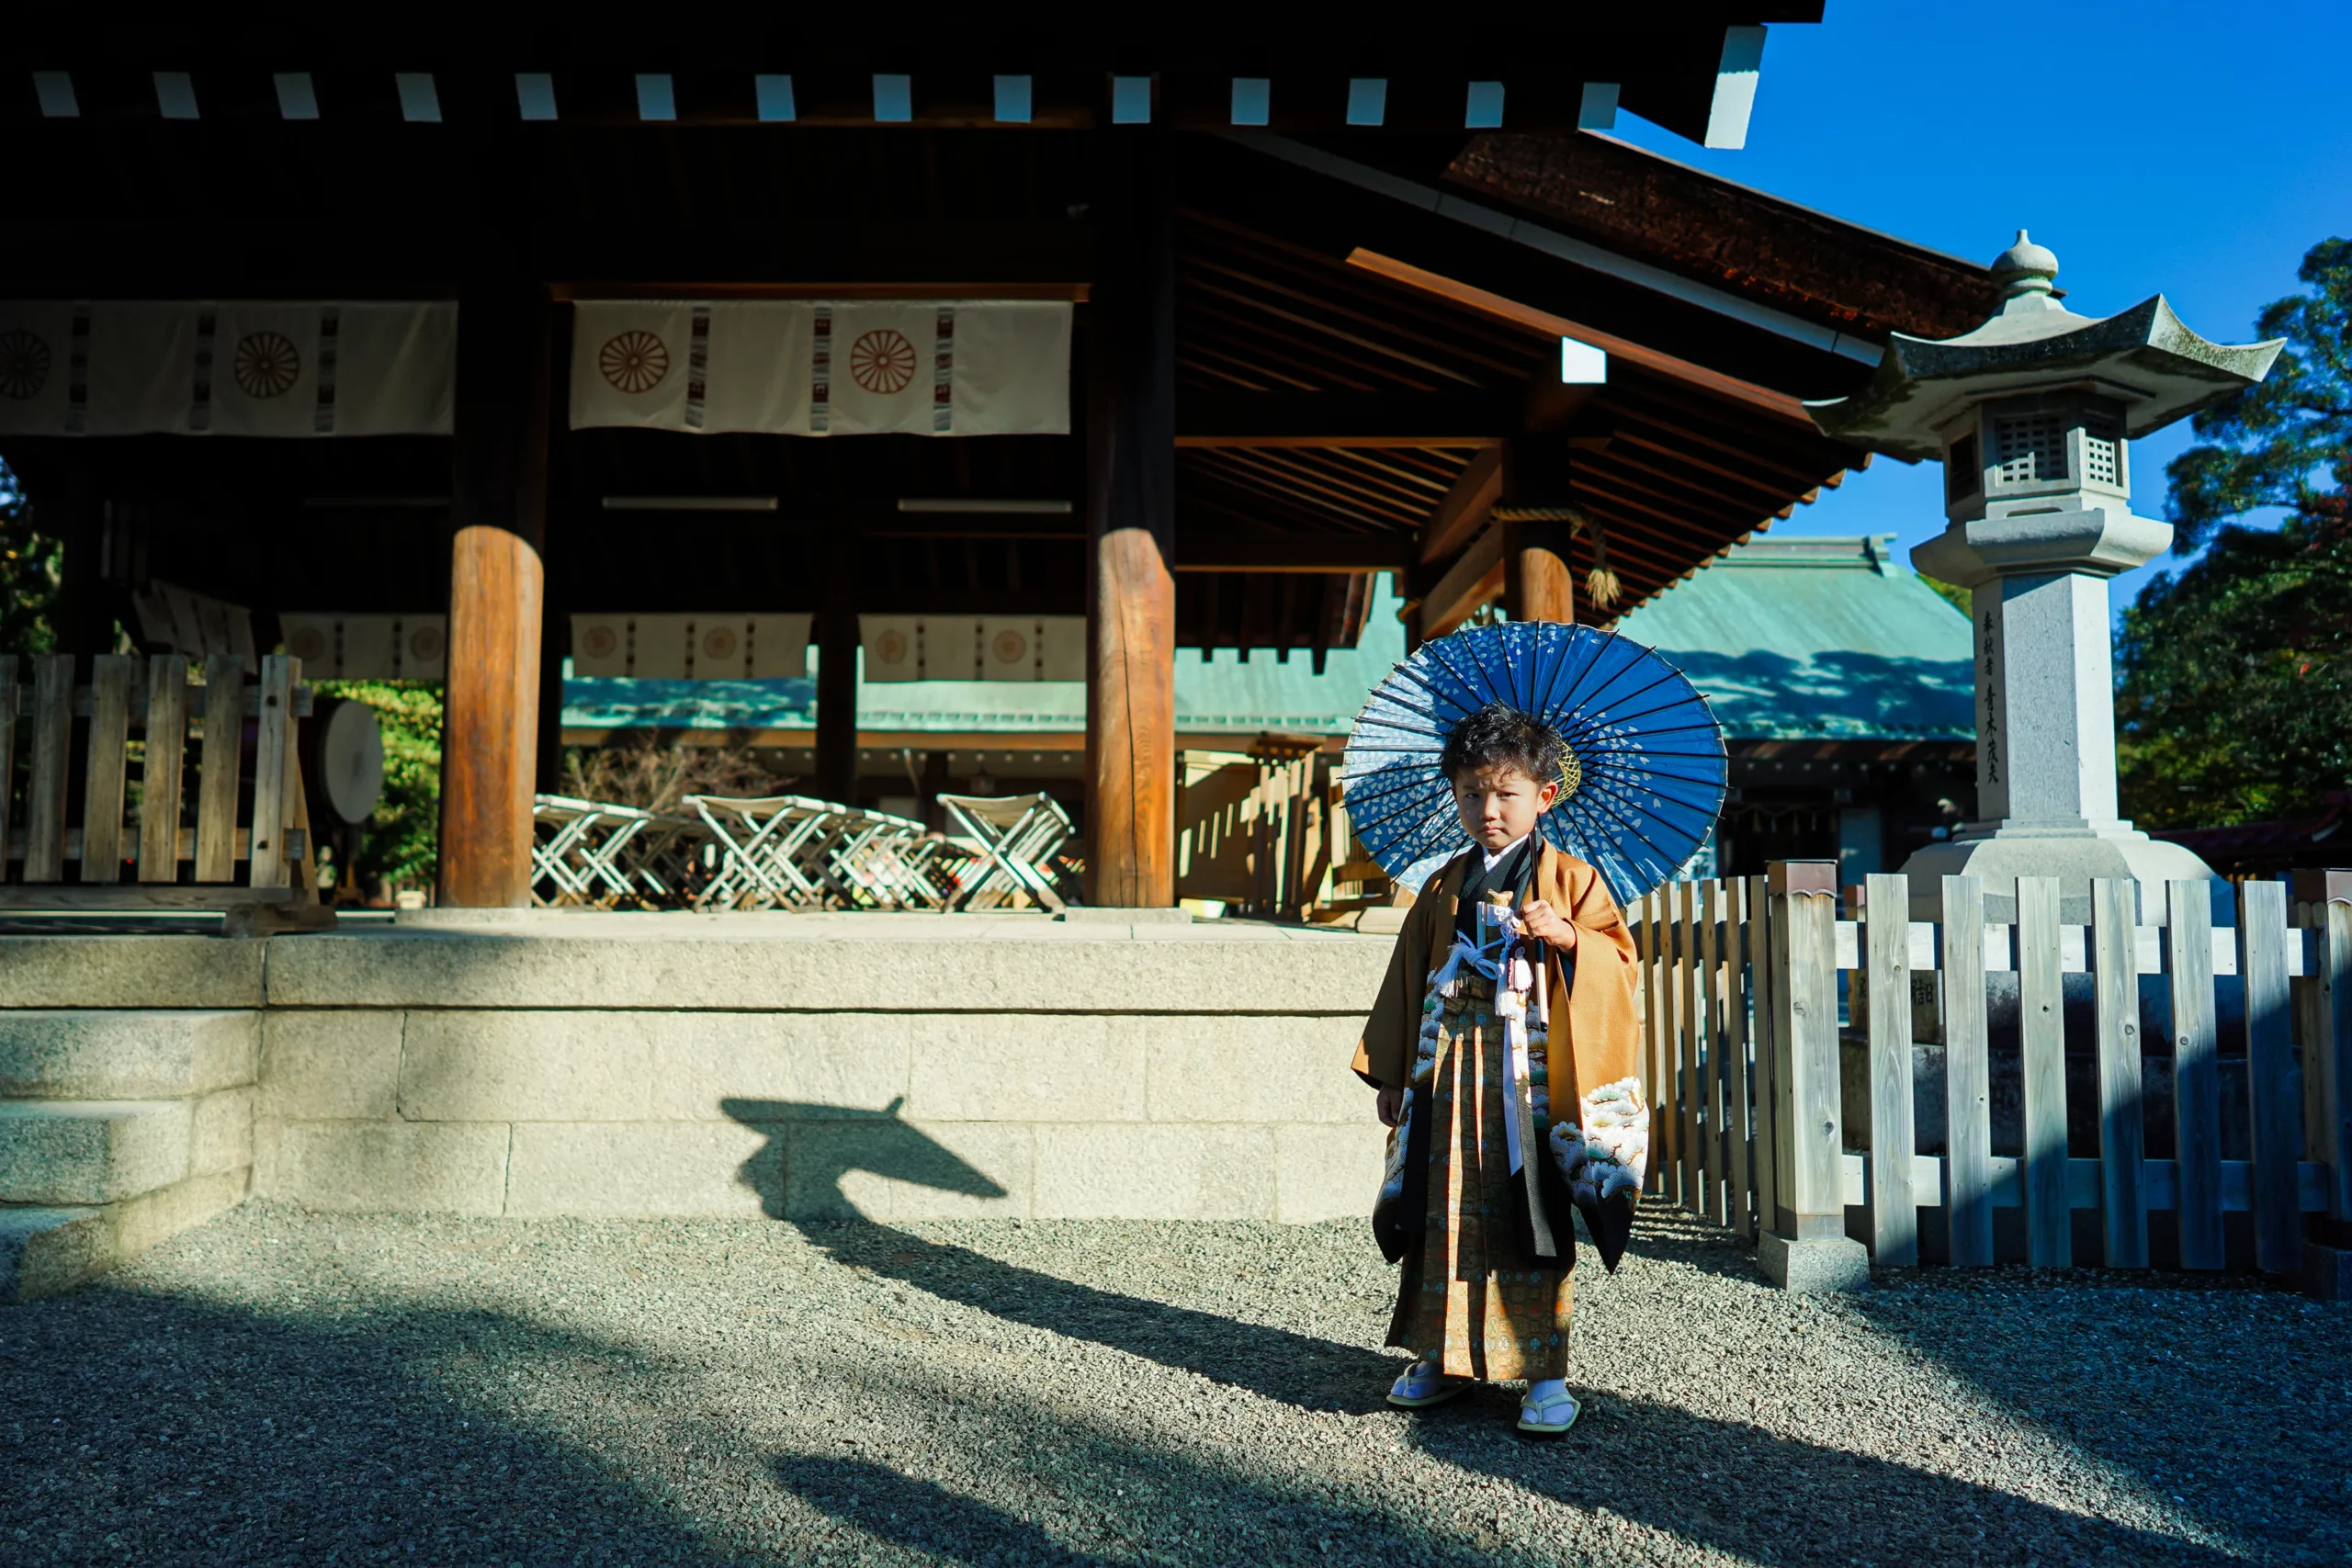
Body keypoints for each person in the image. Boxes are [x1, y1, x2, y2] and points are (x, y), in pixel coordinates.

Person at [1352, 700, 1648, 1435]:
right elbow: (1404, 979)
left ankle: (1544, 1373)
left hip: (1531, 1077)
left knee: (1533, 1209)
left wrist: (1570, 936)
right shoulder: (1442, 884)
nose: (1489, 809)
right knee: (1439, 1204)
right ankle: (1439, 1355)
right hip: (1450, 1067)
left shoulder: (1571, 879)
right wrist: (1394, 1072)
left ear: (1545, 795)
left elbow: (1622, 964)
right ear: (1454, 792)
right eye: (1472, 792)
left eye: (1506, 792)